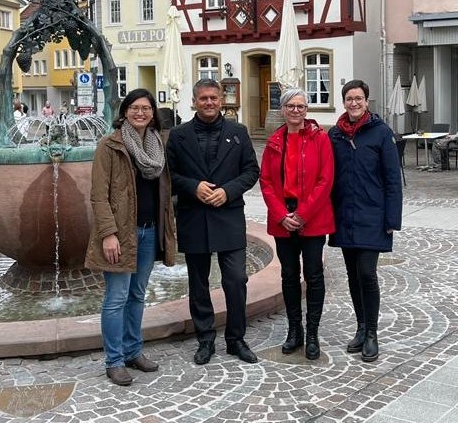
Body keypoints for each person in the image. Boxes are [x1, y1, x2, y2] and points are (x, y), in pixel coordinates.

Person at [85, 88, 176, 386]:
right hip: (121, 233)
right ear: (124, 111)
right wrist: (108, 234)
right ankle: (114, 360)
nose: (140, 112)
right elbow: (99, 197)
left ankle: (133, 350)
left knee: (137, 295)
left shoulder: (157, 146)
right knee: (116, 298)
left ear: (153, 113)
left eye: (146, 108)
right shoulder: (109, 145)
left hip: (149, 231)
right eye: (135, 108)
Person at [166, 78, 260, 365]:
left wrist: (228, 191)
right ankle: (205, 339)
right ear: (194, 101)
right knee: (198, 283)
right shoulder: (178, 135)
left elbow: (251, 171)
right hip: (194, 216)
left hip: (228, 215)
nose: (209, 102)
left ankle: (236, 339)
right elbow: (169, 175)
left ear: (222, 100)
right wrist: (193, 186)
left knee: (235, 280)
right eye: (203, 98)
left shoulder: (238, 132)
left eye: (214, 98)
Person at [328, 79, 402, 363]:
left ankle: (372, 333)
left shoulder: (381, 133)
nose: (354, 103)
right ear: (344, 102)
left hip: (373, 214)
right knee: (352, 275)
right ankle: (360, 328)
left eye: (358, 98)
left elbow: (393, 179)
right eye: (349, 99)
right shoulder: (335, 134)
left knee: (367, 274)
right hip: (345, 214)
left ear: (366, 101)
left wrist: (391, 218)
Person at [259, 89, 335, 360]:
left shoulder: (320, 139)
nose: (296, 110)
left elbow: (325, 180)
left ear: (306, 110)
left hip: (312, 218)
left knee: (314, 275)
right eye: (291, 106)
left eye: (301, 106)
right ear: (283, 109)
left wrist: (302, 215)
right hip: (283, 220)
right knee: (289, 276)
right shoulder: (274, 141)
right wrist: (281, 214)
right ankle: (295, 331)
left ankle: (312, 333)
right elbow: (266, 181)